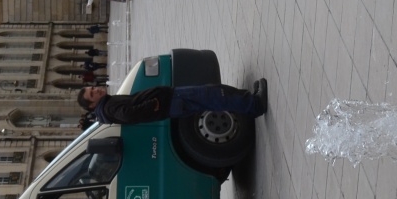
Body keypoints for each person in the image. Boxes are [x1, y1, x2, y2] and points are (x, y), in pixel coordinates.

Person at [74, 80, 267, 125]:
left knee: (213, 92)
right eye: (92, 94)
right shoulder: (109, 108)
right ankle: (255, 104)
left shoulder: (107, 106)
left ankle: (249, 100)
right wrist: (152, 104)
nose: (96, 90)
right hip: (171, 101)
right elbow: (129, 114)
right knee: (213, 96)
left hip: (171, 101)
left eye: (93, 88)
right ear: (92, 105)